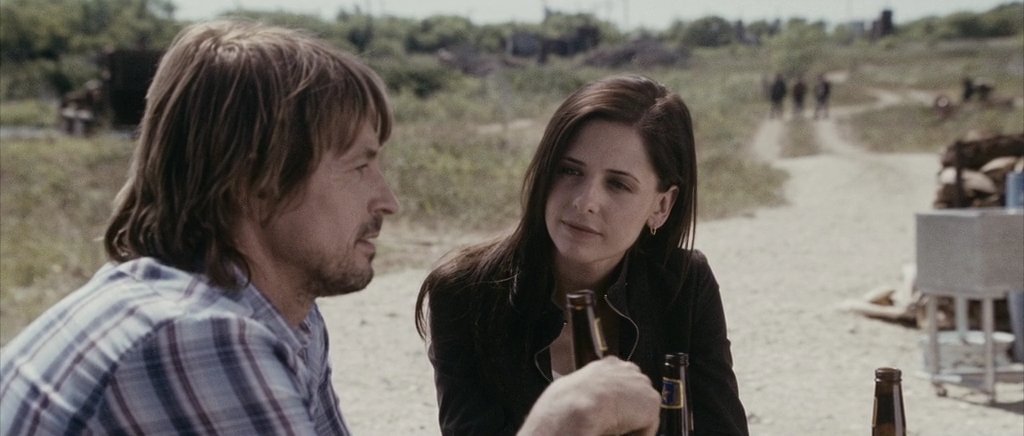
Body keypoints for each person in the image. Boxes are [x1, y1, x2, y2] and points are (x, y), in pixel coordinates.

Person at [0, 20, 659, 436]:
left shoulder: (276, 314)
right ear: (256, 180)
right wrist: (559, 422)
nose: (388, 199)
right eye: (360, 165)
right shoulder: (195, 336)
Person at [415, 74, 749, 435]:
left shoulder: (684, 284)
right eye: (569, 170)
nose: (585, 201)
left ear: (662, 206)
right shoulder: (465, 292)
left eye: (617, 184)